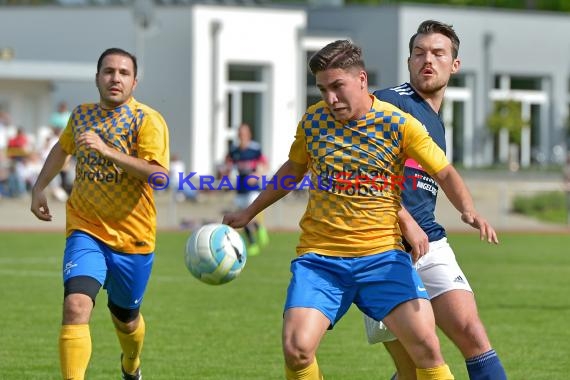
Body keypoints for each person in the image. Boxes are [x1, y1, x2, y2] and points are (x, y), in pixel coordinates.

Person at [224, 39, 498, 380]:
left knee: (426, 349)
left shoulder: (398, 124)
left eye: (337, 87)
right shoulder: (313, 122)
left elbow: (443, 171)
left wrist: (467, 210)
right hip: (321, 259)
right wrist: (249, 213)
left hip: (382, 257)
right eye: (322, 89)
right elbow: (293, 170)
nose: (330, 98)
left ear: (362, 80)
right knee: (297, 349)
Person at [362, 20, 507, 380]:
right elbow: (363, 174)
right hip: (381, 248)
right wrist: (403, 221)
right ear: (409, 61)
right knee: (415, 366)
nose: (428, 60)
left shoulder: (435, 121)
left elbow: (444, 173)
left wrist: (468, 210)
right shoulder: (388, 103)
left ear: (454, 65)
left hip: (431, 242)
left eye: (438, 53)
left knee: (473, 335)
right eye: (419, 53)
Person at [30, 47, 170, 380]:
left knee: (127, 319)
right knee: (75, 306)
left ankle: (131, 364)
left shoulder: (147, 120)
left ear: (135, 81)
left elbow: (159, 175)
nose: (115, 78)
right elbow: (63, 148)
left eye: (123, 73)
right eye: (108, 71)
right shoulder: (81, 115)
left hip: (132, 239)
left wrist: (108, 151)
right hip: (86, 228)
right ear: (97, 78)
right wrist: (39, 187)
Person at [224, 123, 269, 256]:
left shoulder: (254, 149)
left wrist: (257, 175)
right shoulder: (234, 150)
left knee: (247, 215)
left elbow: (265, 164)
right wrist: (225, 174)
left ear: (248, 134)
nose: (242, 135)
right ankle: (257, 234)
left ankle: (254, 241)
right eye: (240, 133)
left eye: (244, 132)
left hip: (253, 188)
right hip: (240, 188)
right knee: (241, 217)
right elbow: (227, 164)